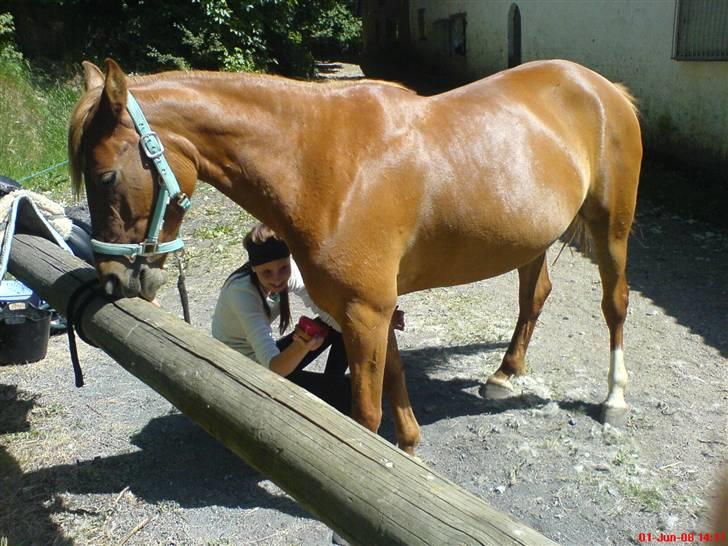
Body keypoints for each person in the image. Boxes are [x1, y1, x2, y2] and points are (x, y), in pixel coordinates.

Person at [211, 222, 352, 414]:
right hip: (244, 366)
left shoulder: (289, 269)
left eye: (283, 268)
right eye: (266, 272)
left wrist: (370, 327)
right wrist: (301, 346)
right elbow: (272, 367)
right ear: (253, 268)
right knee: (350, 394)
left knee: (342, 325)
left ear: (289, 260)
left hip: (266, 357)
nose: (277, 279)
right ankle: (331, 391)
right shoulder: (242, 294)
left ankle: (331, 384)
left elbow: (324, 309)